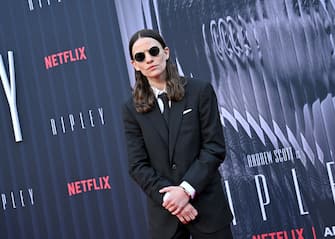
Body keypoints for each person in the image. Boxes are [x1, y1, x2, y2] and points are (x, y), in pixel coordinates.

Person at [122, 29, 233, 239]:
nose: (149, 59)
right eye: (140, 56)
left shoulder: (200, 92)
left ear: (166, 52)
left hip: (208, 211)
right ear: (134, 64)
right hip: (165, 220)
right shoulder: (131, 110)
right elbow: (137, 165)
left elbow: (213, 148)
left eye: (153, 51)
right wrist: (174, 201)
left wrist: (185, 191)